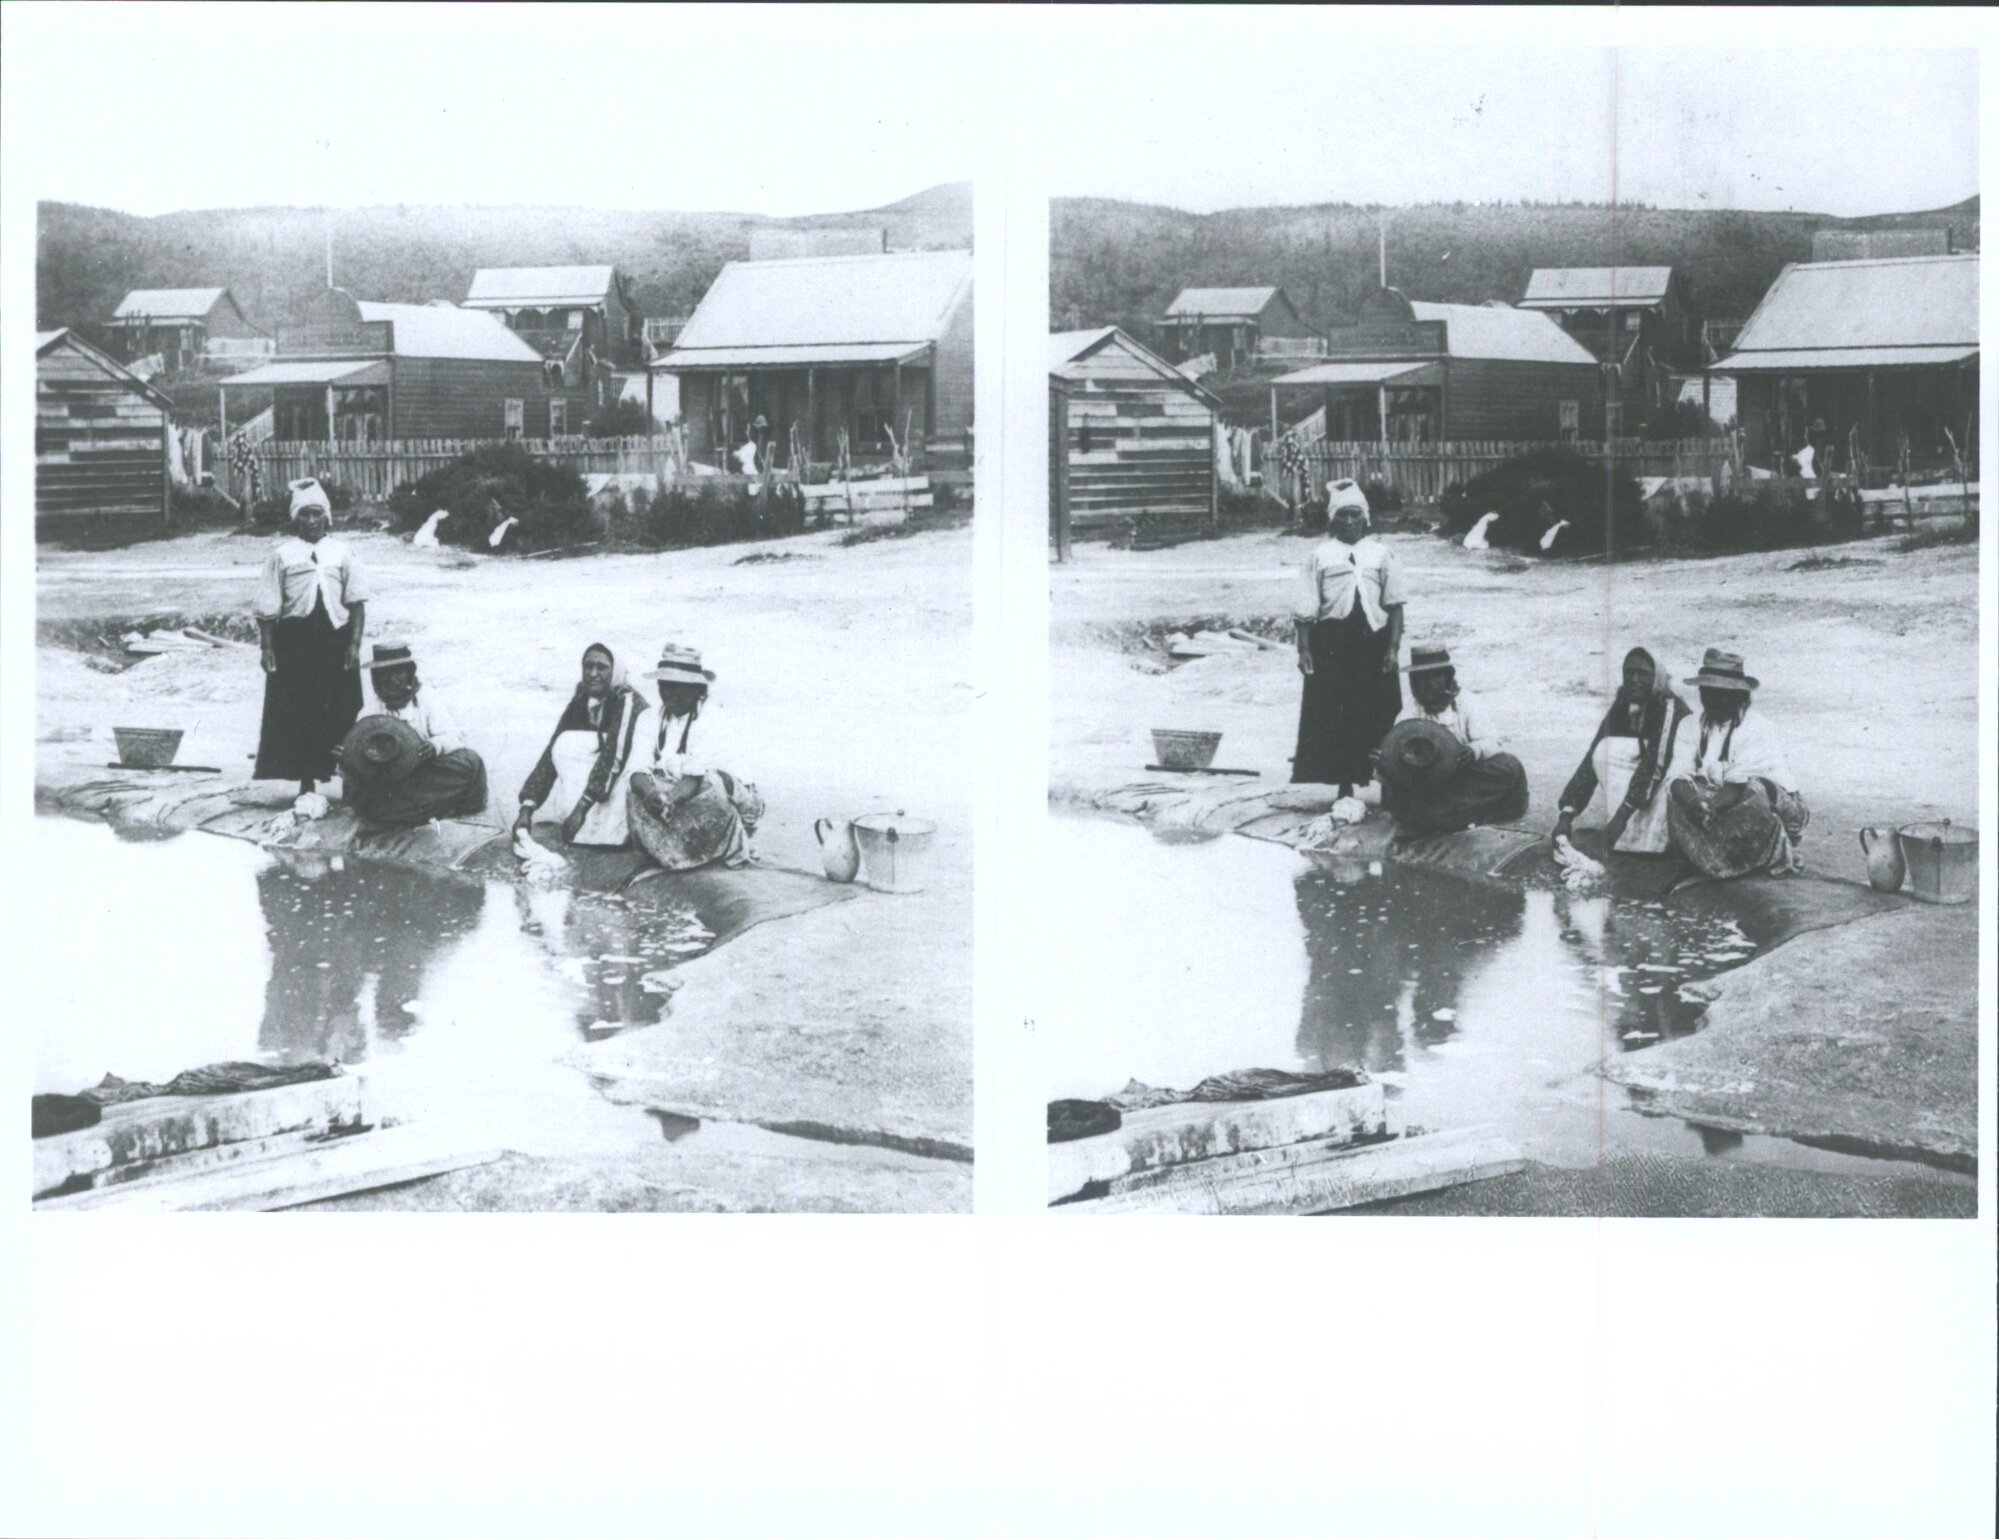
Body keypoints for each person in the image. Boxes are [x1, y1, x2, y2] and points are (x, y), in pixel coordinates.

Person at [1291, 480, 1406, 796]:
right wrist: (1304, 650)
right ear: (1333, 519)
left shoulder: (1381, 553)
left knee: (1381, 710)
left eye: (1355, 515)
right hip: (1332, 645)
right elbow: (1306, 607)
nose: (1350, 522)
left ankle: (1389, 783)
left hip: (1374, 643)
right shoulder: (1321, 555)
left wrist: (1393, 648)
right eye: (1342, 515)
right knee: (1336, 713)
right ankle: (1344, 784)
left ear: (1365, 517)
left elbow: (1395, 605)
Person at [253, 482, 366, 798]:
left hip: (336, 640)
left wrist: (354, 645)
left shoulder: (342, 552)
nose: (312, 521)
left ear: (327, 517)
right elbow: (267, 606)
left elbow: (357, 602)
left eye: (317, 514)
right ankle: (306, 779)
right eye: (305, 514)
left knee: (344, 706)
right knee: (299, 710)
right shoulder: (282, 555)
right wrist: (267, 646)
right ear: (295, 519)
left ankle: (348, 778)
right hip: (296, 643)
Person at [1665, 648, 1809, 878]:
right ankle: (1716, 860)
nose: (1712, 700)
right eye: (1707, 691)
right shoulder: (1689, 725)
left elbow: (1738, 784)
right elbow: (1677, 774)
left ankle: (1755, 857)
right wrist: (1693, 801)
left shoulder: (1757, 727)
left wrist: (1709, 807)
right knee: (1677, 795)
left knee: (1754, 791)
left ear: (1739, 696)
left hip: (1769, 805)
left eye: (1721, 693)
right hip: (1718, 800)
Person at [626, 643, 765, 871]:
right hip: (679, 790)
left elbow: (693, 780)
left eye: (677, 686)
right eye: (664, 685)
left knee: (711, 783)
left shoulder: (711, 718)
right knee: (635, 790)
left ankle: (727, 841)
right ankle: (674, 852)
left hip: (726, 797)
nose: (668, 692)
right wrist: (651, 794)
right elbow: (637, 770)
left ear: (697, 689)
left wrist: (668, 800)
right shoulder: (649, 718)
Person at [1551, 645, 1692, 855]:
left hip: (1671, 776)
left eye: (1642, 673)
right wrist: (1566, 815)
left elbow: (1656, 763)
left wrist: (1620, 819)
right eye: (1629, 672)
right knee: (1603, 750)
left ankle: (1657, 836)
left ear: (1656, 678)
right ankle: (1631, 834)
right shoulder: (1624, 703)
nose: (1634, 679)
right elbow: (1592, 756)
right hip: (1645, 776)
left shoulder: (1669, 707)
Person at [1375, 644, 1529, 835]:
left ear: (1447, 676)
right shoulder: (1409, 714)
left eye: (1436, 676)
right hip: (1427, 784)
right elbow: (1394, 766)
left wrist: (1474, 751)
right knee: (1395, 794)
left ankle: (1441, 817)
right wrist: (1385, 766)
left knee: (1510, 767)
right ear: (1414, 681)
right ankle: (1452, 816)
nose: (1431, 683)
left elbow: (1492, 741)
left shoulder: (1466, 701)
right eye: (1423, 677)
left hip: (1464, 775)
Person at [337, 643, 489, 827]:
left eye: (398, 672)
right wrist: (346, 760)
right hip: (388, 780)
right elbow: (356, 763)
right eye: (385, 674)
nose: (392, 679)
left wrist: (434, 746)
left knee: (470, 762)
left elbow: (453, 736)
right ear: (375, 678)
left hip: (423, 772)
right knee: (360, 792)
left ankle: (407, 812)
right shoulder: (370, 711)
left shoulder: (427, 699)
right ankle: (428, 809)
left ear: (409, 673)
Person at [513, 643, 650, 847]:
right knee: (564, 743)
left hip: (627, 777)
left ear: (615, 671)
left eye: (601, 667)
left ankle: (613, 831)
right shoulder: (583, 698)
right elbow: (551, 753)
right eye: (588, 666)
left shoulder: (626, 699)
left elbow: (614, 757)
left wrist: (580, 811)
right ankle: (591, 829)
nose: (593, 673)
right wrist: (526, 808)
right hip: (601, 779)